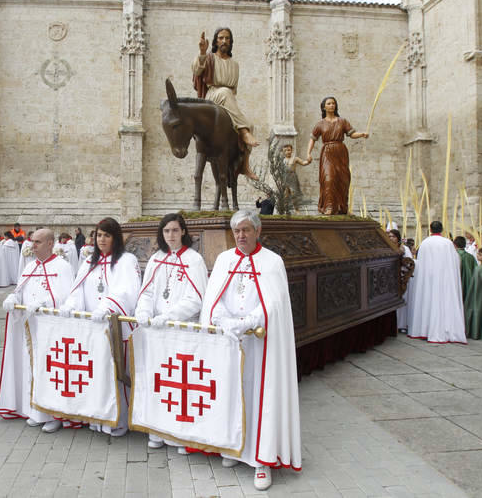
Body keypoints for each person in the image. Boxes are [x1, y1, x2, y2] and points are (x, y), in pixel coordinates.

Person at [199, 209, 301, 490]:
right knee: (231, 394)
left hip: (261, 345)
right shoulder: (224, 260)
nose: (241, 235)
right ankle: (235, 448)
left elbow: (274, 304)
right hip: (231, 344)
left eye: (246, 230)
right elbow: (212, 298)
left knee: (261, 398)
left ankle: (261, 460)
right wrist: (225, 321)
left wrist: (248, 322)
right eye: (237, 231)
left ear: (257, 231)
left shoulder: (272, 262)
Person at [59, 217, 141, 437]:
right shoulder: (88, 262)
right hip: (90, 330)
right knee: (95, 374)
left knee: (115, 373)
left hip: (114, 327)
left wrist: (106, 307)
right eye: (98, 235)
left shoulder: (126, 260)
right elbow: (78, 288)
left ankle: (119, 420)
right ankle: (96, 417)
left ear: (116, 237)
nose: (102, 239)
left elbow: (127, 290)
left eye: (107, 235)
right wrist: (70, 305)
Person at [136, 214, 208, 451]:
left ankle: (181, 435)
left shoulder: (194, 259)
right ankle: (157, 428)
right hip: (156, 332)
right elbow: (146, 292)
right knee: (158, 381)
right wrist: (144, 312)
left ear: (183, 231)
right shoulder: (156, 259)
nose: (171, 236)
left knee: (181, 384)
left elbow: (196, 298)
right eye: (166, 231)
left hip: (181, 330)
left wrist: (168, 317)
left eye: (175, 231)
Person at [0, 229, 73, 431]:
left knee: (50, 370)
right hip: (28, 327)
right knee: (30, 368)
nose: (33, 245)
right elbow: (20, 289)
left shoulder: (62, 266)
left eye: (38, 242)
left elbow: (67, 297)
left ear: (50, 243)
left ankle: (54, 415)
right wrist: (13, 298)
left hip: (50, 330)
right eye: (32, 242)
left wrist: (45, 301)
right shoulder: (30, 266)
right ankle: (34, 409)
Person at [192, 27, 259, 180]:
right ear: (216, 40)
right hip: (212, 96)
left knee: (252, 124)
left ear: (231, 41)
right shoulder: (209, 58)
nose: (224, 41)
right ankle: (243, 132)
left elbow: (233, 90)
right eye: (221, 38)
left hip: (228, 100)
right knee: (225, 92)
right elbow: (196, 71)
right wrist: (202, 53)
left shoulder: (234, 64)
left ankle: (245, 165)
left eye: (227, 38)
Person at [305, 97, 369, 215]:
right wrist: (308, 153)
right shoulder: (320, 124)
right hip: (327, 152)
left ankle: (343, 208)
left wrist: (361, 134)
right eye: (329, 103)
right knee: (328, 179)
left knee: (343, 180)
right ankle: (329, 206)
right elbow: (312, 139)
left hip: (341, 151)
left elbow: (352, 134)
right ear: (324, 107)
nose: (332, 105)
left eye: (333, 103)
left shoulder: (342, 121)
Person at [406, 221, 467, 344]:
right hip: (444, 279)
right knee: (443, 303)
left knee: (428, 302)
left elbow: (421, 263)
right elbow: (455, 260)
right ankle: (444, 328)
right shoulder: (447, 243)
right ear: (442, 229)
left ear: (430, 229)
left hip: (428, 280)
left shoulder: (424, 243)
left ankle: (425, 329)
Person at [388, 228, 413, 333]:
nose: (391, 238)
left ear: (397, 238)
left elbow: (409, 263)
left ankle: (401, 324)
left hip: (401, 278)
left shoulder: (404, 249)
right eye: (389, 236)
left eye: (393, 236)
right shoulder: (387, 247)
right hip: (390, 278)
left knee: (402, 301)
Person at [454, 236, 477, 302]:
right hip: (469, 284)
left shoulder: (453, 256)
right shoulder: (470, 257)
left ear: (454, 245)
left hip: (457, 283)